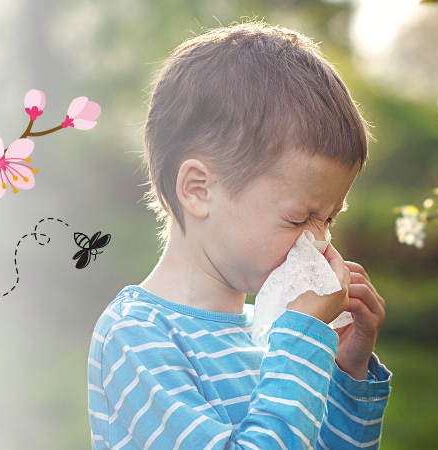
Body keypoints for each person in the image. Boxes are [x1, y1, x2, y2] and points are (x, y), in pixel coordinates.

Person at [88, 21, 390, 450]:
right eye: (297, 218)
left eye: (328, 220)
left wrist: (347, 372)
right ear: (198, 189)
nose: (318, 243)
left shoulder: (270, 334)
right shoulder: (137, 336)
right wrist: (301, 338)